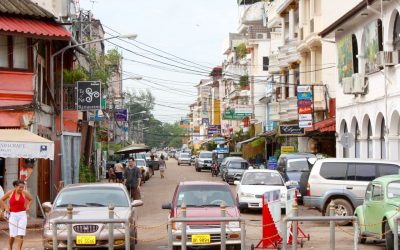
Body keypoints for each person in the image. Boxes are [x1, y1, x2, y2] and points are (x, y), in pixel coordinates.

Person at [0, 180, 32, 250]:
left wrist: (28, 206)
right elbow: (1, 200)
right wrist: (6, 207)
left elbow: (31, 199)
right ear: (15, 186)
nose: (21, 189)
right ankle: (10, 248)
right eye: (20, 187)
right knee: (12, 235)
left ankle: (19, 249)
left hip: (22, 215)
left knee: (21, 234)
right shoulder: (10, 192)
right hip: (13, 215)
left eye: (22, 187)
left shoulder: (24, 193)